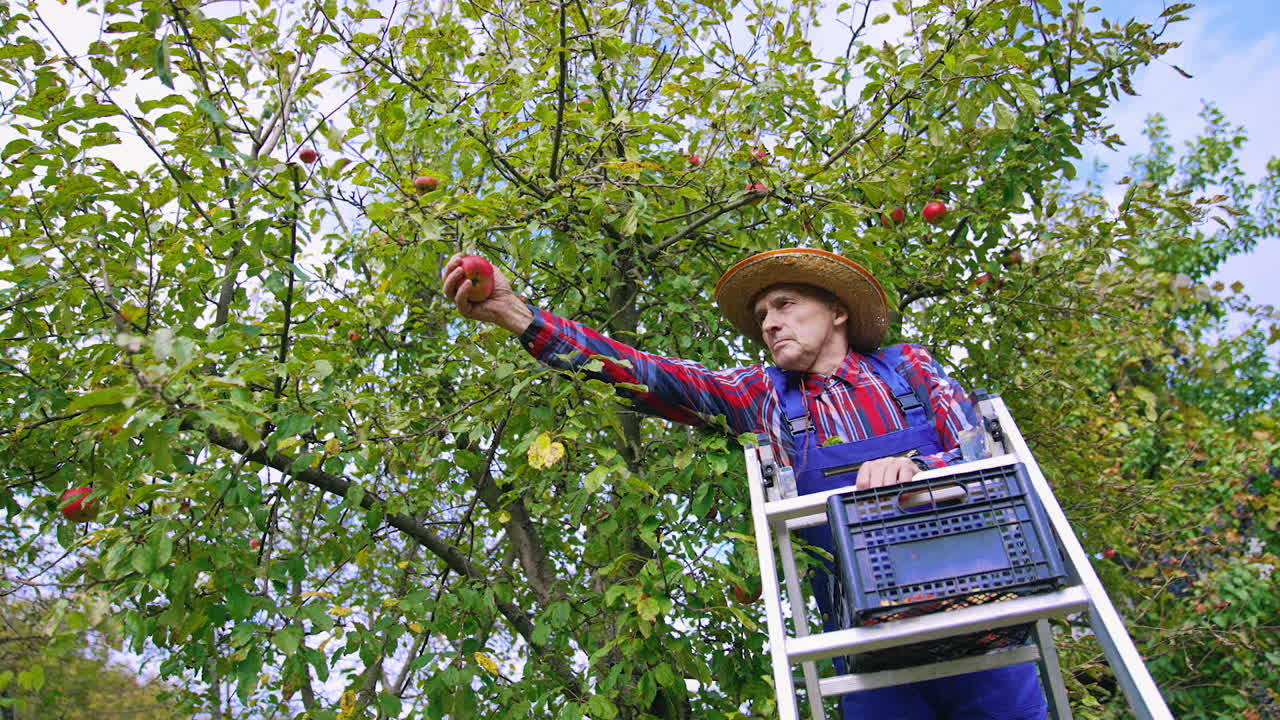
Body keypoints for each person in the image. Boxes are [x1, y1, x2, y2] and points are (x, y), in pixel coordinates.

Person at [442, 247, 1048, 720]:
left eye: (784, 305)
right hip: (868, 644)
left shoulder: (909, 370)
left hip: (982, 627)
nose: (769, 323)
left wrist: (920, 474)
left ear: (837, 310)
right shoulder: (764, 399)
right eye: (761, 316)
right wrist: (517, 315)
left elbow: (982, 454)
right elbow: (646, 373)